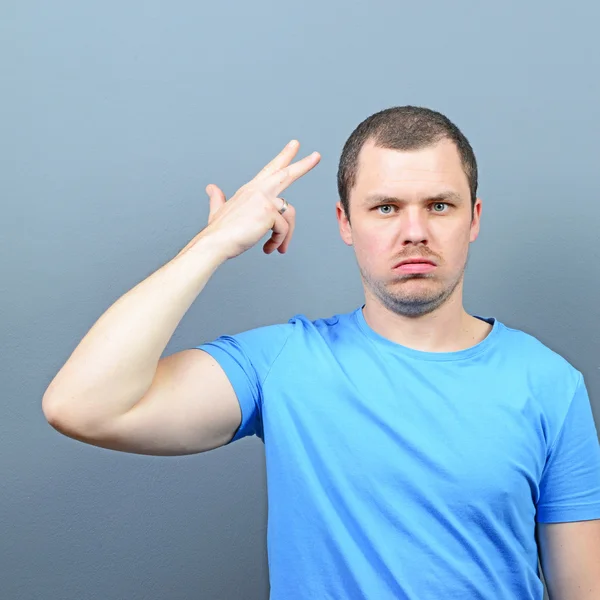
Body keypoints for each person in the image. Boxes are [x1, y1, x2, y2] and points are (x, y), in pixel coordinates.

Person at [42, 106, 600, 599]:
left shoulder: (550, 384)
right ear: (345, 224)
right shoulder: (284, 363)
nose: (414, 231)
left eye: (439, 205)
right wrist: (211, 245)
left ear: (473, 219)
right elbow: (82, 405)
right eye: (384, 207)